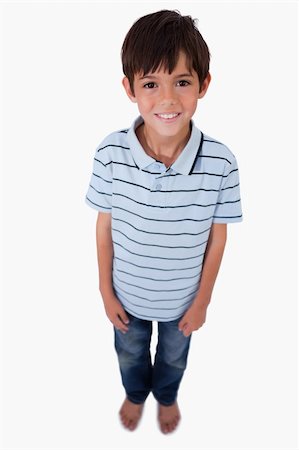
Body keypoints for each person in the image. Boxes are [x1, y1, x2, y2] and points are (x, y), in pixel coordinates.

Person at [85, 9, 242, 434]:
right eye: (151, 84)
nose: (168, 99)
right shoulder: (110, 153)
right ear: (130, 89)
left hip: (183, 304)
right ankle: (136, 395)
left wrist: (203, 300)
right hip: (127, 298)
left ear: (203, 85)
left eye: (182, 82)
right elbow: (104, 226)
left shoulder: (221, 162)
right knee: (130, 355)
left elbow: (218, 236)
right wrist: (105, 289)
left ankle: (167, 398)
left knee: (173, 358)